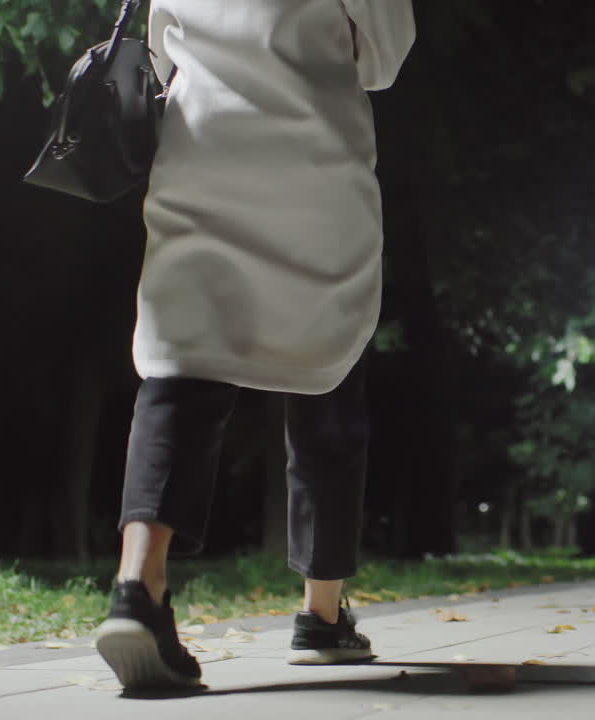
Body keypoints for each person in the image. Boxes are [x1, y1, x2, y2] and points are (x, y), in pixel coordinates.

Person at [94, 0, 415, 690]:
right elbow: (385, 57)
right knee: (327, 366)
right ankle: (322, 618)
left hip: (201, 145)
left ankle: (137, 588)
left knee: (181, 361)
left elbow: (159, 50)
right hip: (312, 156)